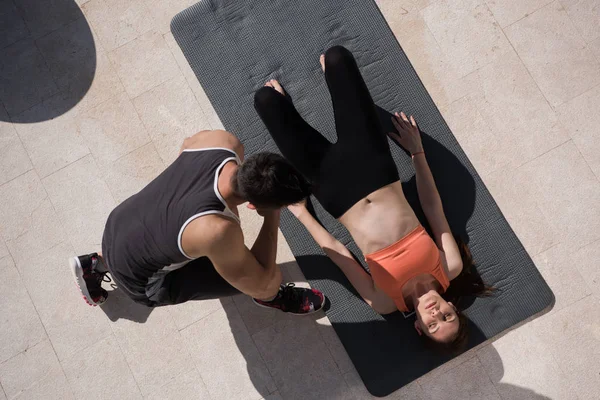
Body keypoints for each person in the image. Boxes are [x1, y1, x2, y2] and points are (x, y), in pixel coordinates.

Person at [253, 46, 491, 353]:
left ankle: (286, 108)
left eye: (433, 324)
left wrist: (302, 214)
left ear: (419, 328)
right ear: (453, 307)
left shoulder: (384, 302)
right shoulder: (450, 266)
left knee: (265, 100)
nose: (436, 314)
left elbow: (341, 255)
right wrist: (417, 152)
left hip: (331, 187)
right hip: (373, 167)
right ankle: (332, 80)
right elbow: (433, 208)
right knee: (337, 57)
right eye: (448, 316)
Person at [69, 129, 325, 315]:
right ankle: (273, 300)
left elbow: (185, 145)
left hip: (117, 226)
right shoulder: (217, 230)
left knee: (176, 234)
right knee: (268, 280)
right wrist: (273, 214)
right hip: (142, 284)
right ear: (253, 205)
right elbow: (259, 277)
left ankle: (95, 263)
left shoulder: (223, 142)